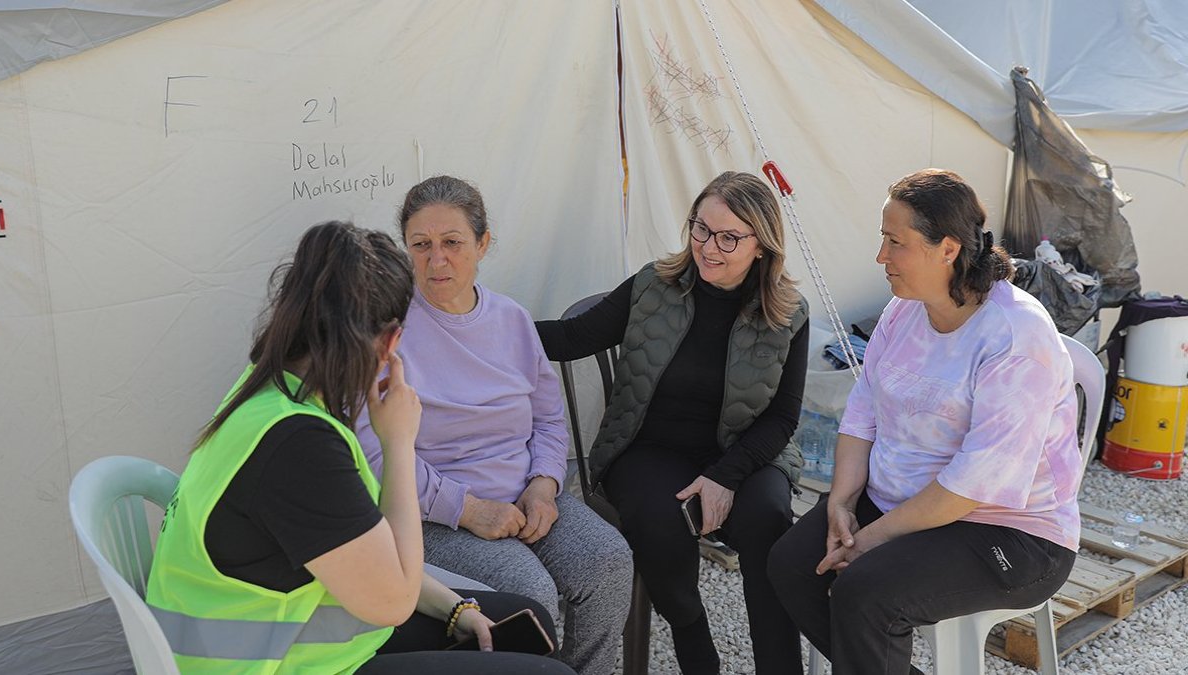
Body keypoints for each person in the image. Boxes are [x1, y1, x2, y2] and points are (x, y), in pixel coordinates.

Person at [146, 221, 573, 675]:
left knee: (525, 617)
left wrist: (455, 607)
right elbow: (394, 601)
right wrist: (398, 443)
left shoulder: (270, 390)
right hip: (267, 665)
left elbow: (363, 548)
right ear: (390, 342)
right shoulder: (300, 444)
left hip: (284, 631)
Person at [767, 169, 1082, 674]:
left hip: (1008, 530)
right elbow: (863, 410)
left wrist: (869, 539)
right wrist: (841, 503)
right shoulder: (902, 311)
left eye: (896, 242)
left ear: (948, 250)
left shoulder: (1016, 336)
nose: (881, 256)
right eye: (883, 239)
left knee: (865, 595)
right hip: (901, 502)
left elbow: (973, 483)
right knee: (790, 566)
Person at [354, 176, 633, 675]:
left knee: (608, 560)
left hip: (526, 497)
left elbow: (548, 417)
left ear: (483, 244)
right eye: (421, 245)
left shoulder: (512, 319)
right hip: (436, 515)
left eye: (452, 242)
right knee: (530, 593)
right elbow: (374, 451)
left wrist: (544, 485)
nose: (436, 260)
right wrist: (468, 509)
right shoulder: (388, 332)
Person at [537, 171, 811, 675]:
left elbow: (782, 416)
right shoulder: (654, 285)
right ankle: (694, 643)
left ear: (761, 246)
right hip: (650, 447)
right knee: (658, 519)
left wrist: (724, 476)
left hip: (743, 449)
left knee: (768, 519)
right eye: (701, 228)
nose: (708, 246)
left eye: (729, 238)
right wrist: (481, 322)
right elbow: (573, 337)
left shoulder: (788, 313)